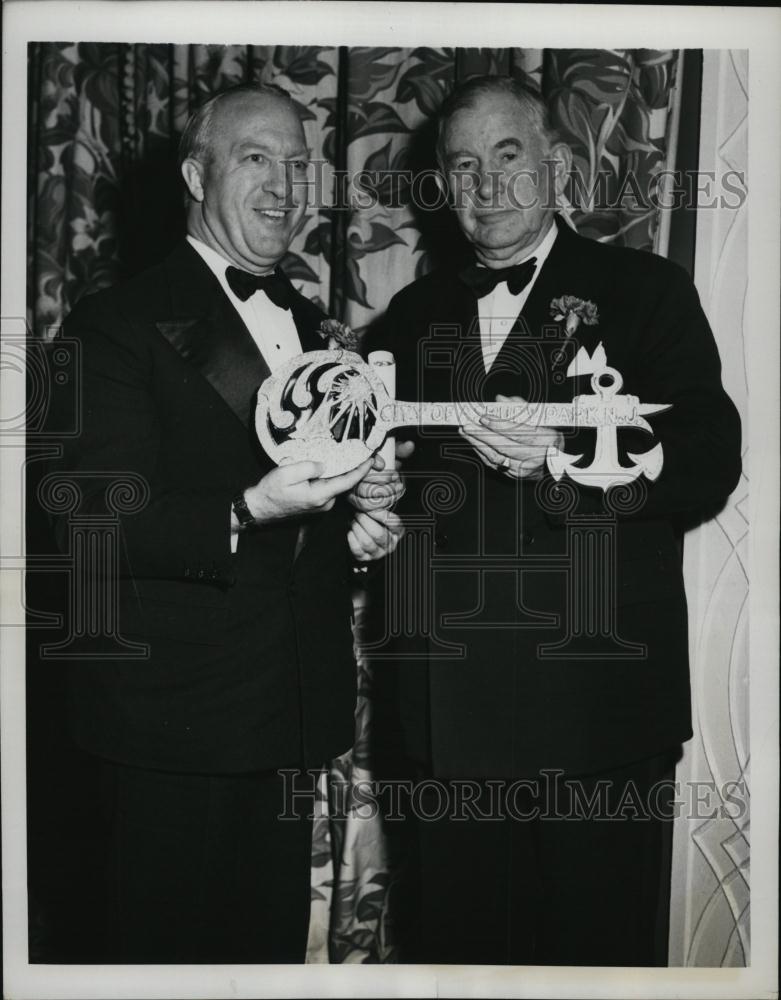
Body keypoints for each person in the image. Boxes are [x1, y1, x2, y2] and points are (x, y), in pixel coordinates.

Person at [370, 75, 742, 966]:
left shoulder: (643, 290)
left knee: (597, 966)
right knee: (456, 966)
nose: (485, 186)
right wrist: (369, 502)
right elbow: (399, 492)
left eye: (507, 157)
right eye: (462, 166)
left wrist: (573, 462)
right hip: (444, 722)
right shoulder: (413, 316)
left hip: (595, 718)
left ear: (558, 166)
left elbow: (706, 457)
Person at [44, 82, 405, 964]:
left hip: (284, 719)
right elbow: (89, 520)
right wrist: (248, 508)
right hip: (170, 729)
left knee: (263, 965)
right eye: (256, 158)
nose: (285, 184)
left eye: (298, 162)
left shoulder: (322, 330)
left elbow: (308, 508)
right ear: (195, 174)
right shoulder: (112, 326)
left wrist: (364, 524)